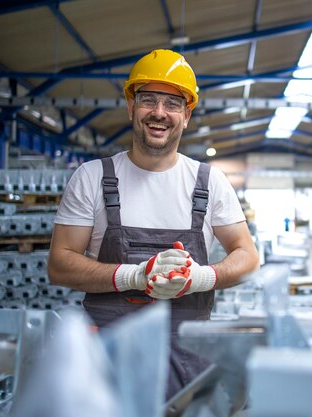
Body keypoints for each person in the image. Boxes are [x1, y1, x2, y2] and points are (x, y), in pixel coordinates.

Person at [47, 49, 260, 399]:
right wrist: (134, 275)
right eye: (148, 100)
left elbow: (248, 256)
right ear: (131, 106)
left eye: (172, 103)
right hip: (107, 356)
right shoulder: (93, 178)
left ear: (187, 115)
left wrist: (201, 278)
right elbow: (60, 263)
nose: (159, 113)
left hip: (188, 357)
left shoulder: (208, 181)